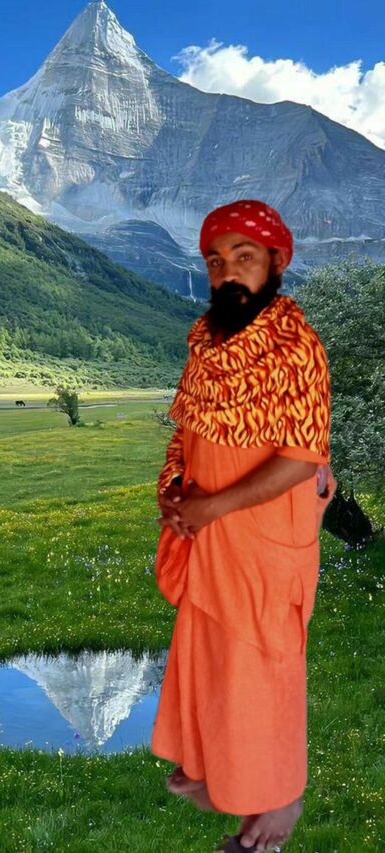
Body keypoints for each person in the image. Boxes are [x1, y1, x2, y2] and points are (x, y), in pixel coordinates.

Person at [150, 199, 337, 853]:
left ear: (275, 264)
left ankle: (278, 804)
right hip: (209, 535)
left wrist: (212, 507)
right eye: (215, 260)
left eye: (244, 257)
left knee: (264, 668)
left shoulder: (297, 349)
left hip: (264, 539)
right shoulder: (206, 344)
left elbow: (302, 458)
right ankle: (217, 769)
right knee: (214, 658)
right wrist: (177, 488)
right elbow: (188, 430)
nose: (227, 272)